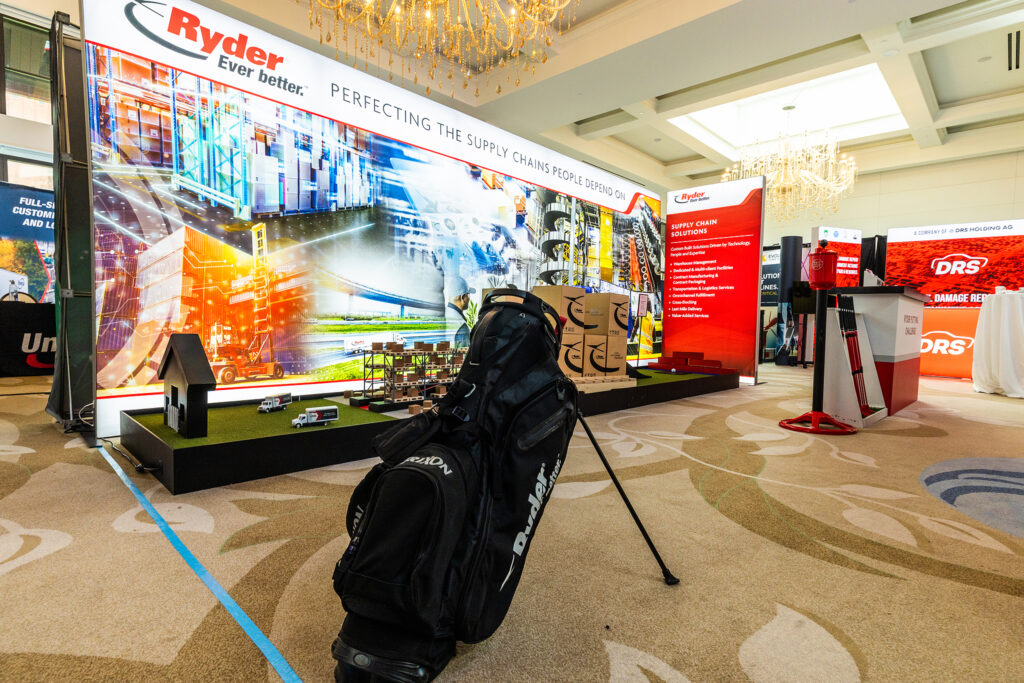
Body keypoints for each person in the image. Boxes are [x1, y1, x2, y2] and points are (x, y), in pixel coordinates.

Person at [444, 275, 475, 349]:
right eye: (468, 295)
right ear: (463, 297)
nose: (469, 299)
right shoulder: (461, 326)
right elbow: (464, 357)